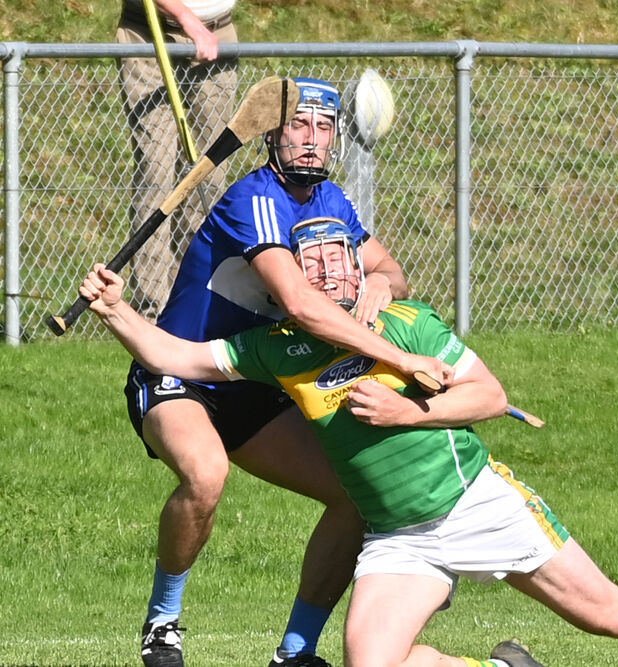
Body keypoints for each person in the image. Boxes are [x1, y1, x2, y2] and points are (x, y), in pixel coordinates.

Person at [80, 218, 618, 667]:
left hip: (479, 505)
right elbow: (180, 357)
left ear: (358, 270)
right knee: (371, 664)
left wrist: (405, 412)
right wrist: (116, 311)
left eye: (340, 259)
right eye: (313, 262)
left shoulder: (409, 322)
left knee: (611, 615)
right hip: (400, 538)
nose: (331, 271)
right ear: (296, 280)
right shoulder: (281, 347)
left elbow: (490, 396)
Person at [113, 74, 450, 667]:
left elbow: (393, 271)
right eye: (298, 124)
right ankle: (162, 622)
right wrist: (400, 358)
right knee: (206, 475)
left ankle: (295, 653)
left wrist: (378, 281)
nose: (312, 138)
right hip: (181, 369)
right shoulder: (254, 199)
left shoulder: (333, 201)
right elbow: (299, 304)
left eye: (324, 127)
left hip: (252, 378)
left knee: (353, 495)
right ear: (273, 133)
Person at [117, 0, 239, 321]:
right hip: (150, 32)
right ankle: (151, 312)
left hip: (217, 33)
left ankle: (194, 302)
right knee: (156, 177)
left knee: (209, 178)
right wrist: (187, 18)